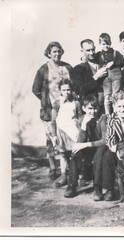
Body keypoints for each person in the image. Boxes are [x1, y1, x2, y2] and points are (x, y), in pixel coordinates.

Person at [32, 41, 73, 181]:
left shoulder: (67, 67)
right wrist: (46, 101)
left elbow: (73, 86)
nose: (57, 54)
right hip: (50, 111)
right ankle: (52, 167)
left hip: (65, 110)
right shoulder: (44, 69)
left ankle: (66, 169)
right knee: (51, 139)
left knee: (65, 138)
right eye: (54, 51)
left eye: (59, 51)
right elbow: (35, 89)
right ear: (49, 53)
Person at [64, 95, 106, 198]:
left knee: (99, 155)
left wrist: (87, 144)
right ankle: (71, 186)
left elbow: (105, 141)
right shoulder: (82, 119)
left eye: (95, 108)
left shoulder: (102, 118)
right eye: (90, 109)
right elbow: (79, 142)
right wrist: (83, 127)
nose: (93, 111)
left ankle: (97, 188)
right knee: (75, 153)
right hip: (89, 148)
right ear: (84, 108)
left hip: (100, 147)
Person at [53, 79, 82, 188]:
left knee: (75, 154)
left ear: (72, 90)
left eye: (68, 90)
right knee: (63, 155)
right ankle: (64, 176)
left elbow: (80, 117)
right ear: (60, 91)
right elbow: (53, 120)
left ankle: (77, 176)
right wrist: (54, 135)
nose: (66, 92)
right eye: (64, 90)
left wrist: (80, 130)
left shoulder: (76, 103)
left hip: (73, 131)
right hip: (61, 131)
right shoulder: (57, 103)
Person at [72, 39, 108, 114]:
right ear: (82, 51)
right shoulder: (78, 69)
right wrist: (96, 77)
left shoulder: (102, 64)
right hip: (90, 109)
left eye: (93, 49)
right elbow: (80, 90)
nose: (92, 53)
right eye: (88, 50)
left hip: (105, 108)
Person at [96, 33, 124, 114]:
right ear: (100, 44)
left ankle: (116, 113)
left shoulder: (115, 53)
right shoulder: (99, 55)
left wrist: (114, 62)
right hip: (106, 78)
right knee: (107, 96)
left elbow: (123, 62)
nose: (106, 46)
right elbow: (92, 59)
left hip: (116, 76)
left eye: (108, 44)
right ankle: (108, 114)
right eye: (104, 44)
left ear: (111, 43)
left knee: (115, 95)